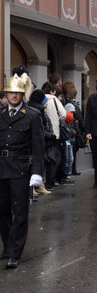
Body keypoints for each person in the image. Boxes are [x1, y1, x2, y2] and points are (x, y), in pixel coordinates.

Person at [0, 73, 45, 268]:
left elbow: (38, 147)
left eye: (17, 93)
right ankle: (8, 246)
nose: (14, 96)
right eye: (11, 92)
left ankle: (14, 252)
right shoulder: (1, 115)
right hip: (1, 169)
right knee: (2, 211)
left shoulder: (32, 115)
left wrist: (37, 172)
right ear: (6, 94)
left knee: (19, 211)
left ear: (22, 94)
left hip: (19, 169)